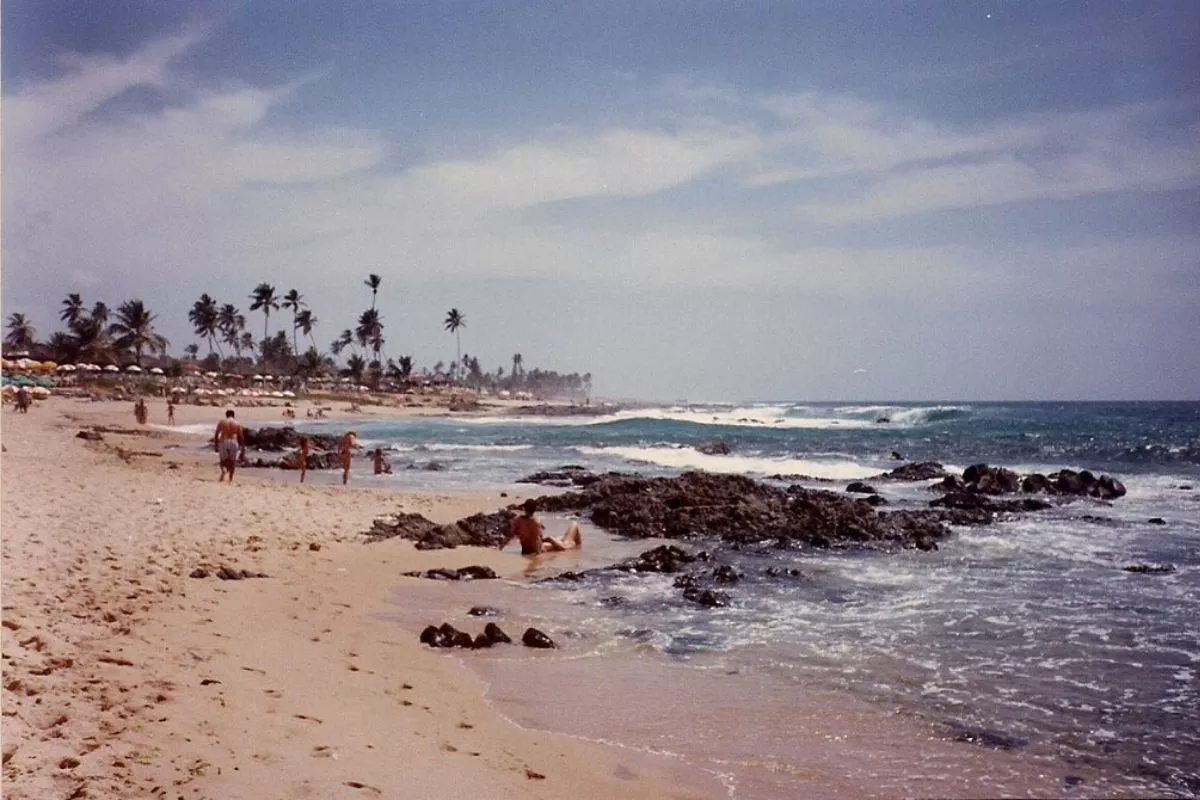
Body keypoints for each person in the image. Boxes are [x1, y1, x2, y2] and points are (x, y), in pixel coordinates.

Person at [499, 499, 583, 556]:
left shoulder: (517, 520)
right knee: (574, 526)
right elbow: (537, 538)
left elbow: (509, 535)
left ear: (524, 508)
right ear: (534, 510)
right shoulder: (535, 521)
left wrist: (500, 548)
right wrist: (538, 555)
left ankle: (576, 546)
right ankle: (580, 549)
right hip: (539, 549)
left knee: (561, 537)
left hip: (525, 550)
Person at [213, 409, 245, 483]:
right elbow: (241, 436)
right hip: (233, 441)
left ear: (226, 415)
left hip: (223, 441)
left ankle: (224, 470)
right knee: (232, 461)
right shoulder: (237, 423)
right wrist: (243, 448)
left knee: (223, 460)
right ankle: (230, 479)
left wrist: (215, 445)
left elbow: (216, 434)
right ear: (233, 415)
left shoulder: (222, 422)